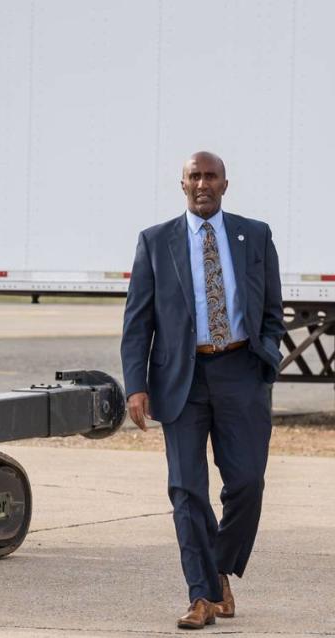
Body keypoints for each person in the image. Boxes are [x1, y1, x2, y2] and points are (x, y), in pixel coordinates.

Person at [120, 151, 284, 629]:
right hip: (181, 380)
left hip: (241, 372)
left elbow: (272, 307)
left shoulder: (255, 234)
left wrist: (266, 356)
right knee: (186, 490)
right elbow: (138, 320)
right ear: (183, 184)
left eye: (211, 176)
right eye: (195, 176)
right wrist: (136, 385)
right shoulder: (155, 242)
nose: (203, 184)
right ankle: (201, 595)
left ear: (225, 185)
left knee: (248, 483)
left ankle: (217, 567)